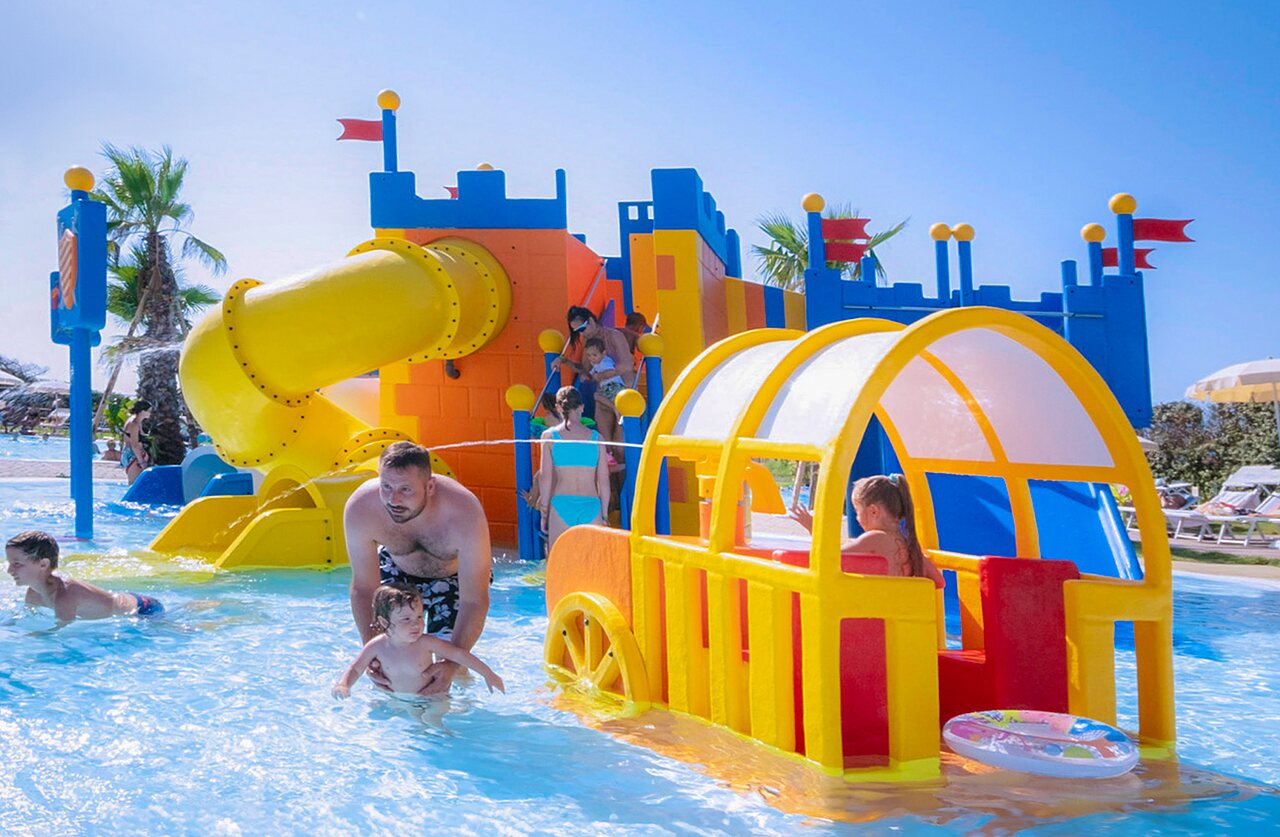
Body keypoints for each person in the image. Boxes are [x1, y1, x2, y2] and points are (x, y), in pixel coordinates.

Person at [343, 441, 492, 696]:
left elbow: (474, 599)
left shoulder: (464, 512)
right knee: (394, 663)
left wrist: (452, 664)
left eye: (406, 489)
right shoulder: (361, 508)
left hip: (453, 579)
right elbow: (364, 588)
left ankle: (463, 711)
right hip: (396, 570)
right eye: (386, 486)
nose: (393, 499)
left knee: (447, 671)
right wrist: (374, 652)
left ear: (430, 486)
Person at [332, 584, 503, 699]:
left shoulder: (427, 643)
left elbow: (459, 655)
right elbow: (356, 668)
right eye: (406, 619)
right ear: (384, 622)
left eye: (420, 616)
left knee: (433, 721)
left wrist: (488, 673)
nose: (417, 624)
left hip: (430, 699)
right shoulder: (377, 646)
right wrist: (343, 684)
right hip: (392, 697)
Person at [788, 474, 944, 586]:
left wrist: (814, 529)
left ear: (874, 511)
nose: (857, 518)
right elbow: (938, 581)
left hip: (876, 617)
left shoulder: (874, 539)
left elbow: (830, 558)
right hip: (903, 619)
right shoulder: (910, 546)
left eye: (857, 511)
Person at [6, 530, 164, 621]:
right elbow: (25, 618)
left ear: (43, 564)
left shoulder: (65, 596)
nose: (9, 570)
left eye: (17, 564)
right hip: (126, 599)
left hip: (143, 609)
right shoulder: (33, 592)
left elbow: (59, 633)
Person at [535, 386, 610, 550]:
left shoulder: (549, 436)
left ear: (558, 408)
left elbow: (545, 476)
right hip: (591, 506)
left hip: (562, 504)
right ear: (582, 407)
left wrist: (544, 512)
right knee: (590, 567)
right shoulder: (597, 439)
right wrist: (604, 515)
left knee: (559, 567)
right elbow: (603, 481)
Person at [558, 306, 634, 447]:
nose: (582, 333)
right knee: (604, 445)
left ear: (592, 321)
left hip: (624, 394)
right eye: (577, 331)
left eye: (582, 328)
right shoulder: (589, 345)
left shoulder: (614, 336)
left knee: (621, 448)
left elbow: (626, 365)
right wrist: (565, 361)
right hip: (604, 396)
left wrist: (603, 375)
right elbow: (586, 371)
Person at [583, 336, 626, 404]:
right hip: (607, 386)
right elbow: (592, 374)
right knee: (597, 396)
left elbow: (611, 372)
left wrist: (598, 376)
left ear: (603, 353)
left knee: (599, 396)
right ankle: (615, 408)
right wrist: (587, 376)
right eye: (589, 355)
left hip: (613, 385)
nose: (591, 358)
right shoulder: (596, 363)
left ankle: (615, 408)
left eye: (594, 355)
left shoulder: (605, 362)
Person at [121, 399, 152, 484]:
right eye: (149, 411)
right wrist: (142, 461)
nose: (150, 413)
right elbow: (134, 444)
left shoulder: (137, 422)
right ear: (142, 411)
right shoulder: (133, 424)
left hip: (136, 455)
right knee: (134, 484)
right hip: (133, 455)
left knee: (139, 484)